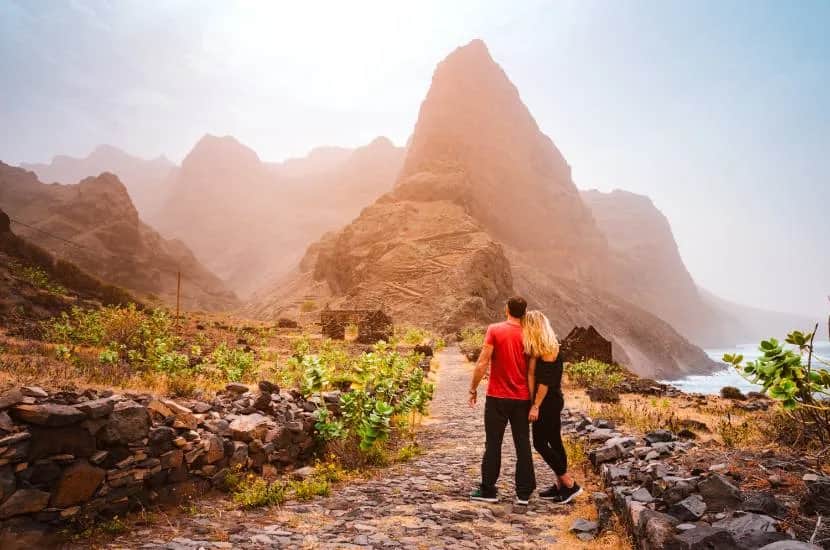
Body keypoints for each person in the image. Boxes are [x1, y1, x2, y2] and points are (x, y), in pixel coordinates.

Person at [468, 296, 536, 505]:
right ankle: (523, 494)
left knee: (493, 444)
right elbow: (532, 372)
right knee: (523, 444)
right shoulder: (531, 334)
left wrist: (473, 389)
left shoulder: (494, 330)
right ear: (525, 312)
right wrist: (532, 402)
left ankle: (488, 490)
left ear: (507, 309)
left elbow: (482, 362)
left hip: (497, 397)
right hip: (522, 398)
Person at [523, 310, 582, 503]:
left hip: (549, 401)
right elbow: (531, 374)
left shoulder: (549, 349)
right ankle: (559, 486)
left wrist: (535, 406)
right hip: (545, 401)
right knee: (555, 443)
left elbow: (545, 383)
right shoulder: (539, 347)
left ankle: (570, 485)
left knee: (540, 443)